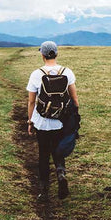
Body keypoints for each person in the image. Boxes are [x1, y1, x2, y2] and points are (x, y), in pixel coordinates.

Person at [26, 41, 79, 201]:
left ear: (42, 55)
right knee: (58, 151)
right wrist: (74, 117)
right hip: (61, 121)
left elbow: (31, 102)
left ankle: (44, 190)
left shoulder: (37, 74)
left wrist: (30, 121)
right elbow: (74, 98)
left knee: (43, 154)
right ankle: (61, 173)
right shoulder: (67, 72)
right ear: (56, 54)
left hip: (42, 121)